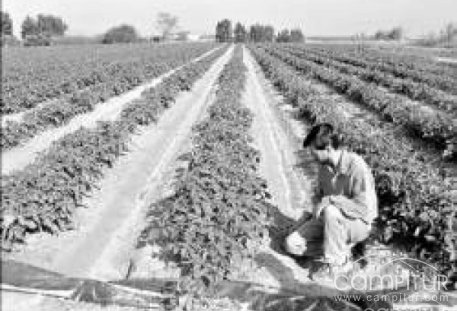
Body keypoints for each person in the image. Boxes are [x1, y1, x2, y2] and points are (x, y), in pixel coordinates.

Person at [284, 123, 378, 280]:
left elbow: (363, 209)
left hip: (358, 223)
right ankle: (340, 248)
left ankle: (339, 264)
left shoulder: (356, 167)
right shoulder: (324, 169)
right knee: (291, 244)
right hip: (331, 222)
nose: (311, 155)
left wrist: (331, 200)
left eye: (313, 151)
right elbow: (319, 198)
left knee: (331, 210)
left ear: (327, 149)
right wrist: (310, 216)